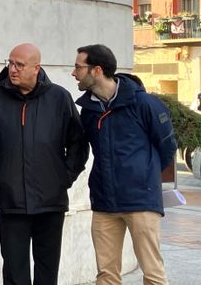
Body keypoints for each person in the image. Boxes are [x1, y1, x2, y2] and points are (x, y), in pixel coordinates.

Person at [0, 43, 89, 285]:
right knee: (14, 273)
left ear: (36, 68)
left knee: (47, 271)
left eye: (19, 65)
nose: (13, 69)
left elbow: (78, 144)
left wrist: (64, 177)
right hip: (11, 203)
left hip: (51, 203)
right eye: (10, 63)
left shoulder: (60, 98)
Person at [72, 44, 177, 285]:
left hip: (141, 201)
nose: (74, 72)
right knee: (106, 275)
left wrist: (143, 175)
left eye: (78, 67)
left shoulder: (145, 104)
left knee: (152, 274)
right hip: (104, 202)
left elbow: (167, 147)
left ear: (96, 70)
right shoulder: (88, 110)